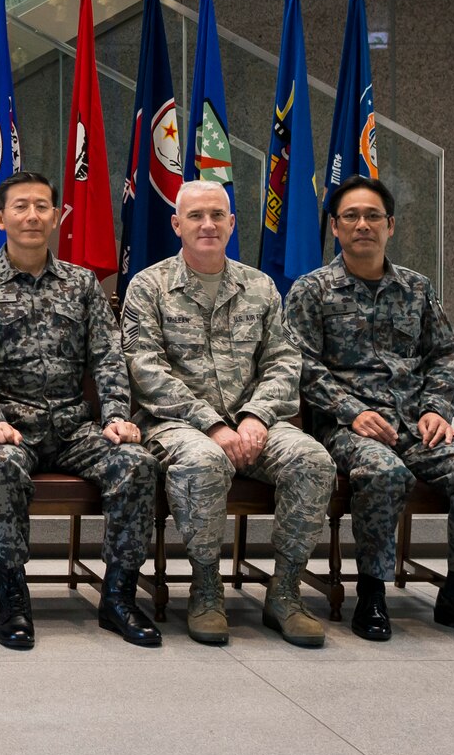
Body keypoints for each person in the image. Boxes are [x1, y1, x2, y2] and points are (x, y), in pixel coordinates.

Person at [284, 176, 454, 643]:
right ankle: (371, 592)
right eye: (351, 216)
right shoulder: (313, 290)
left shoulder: (416, 288)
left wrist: (438, 409)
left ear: (391, 225)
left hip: (416, 423)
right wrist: (350, 411)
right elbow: (298, 363)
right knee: (383, 474)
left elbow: (446, 354)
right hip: (349, 428)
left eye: (372, 217)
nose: (362, 224)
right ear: (335, 227)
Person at [0, 171, 161, 651]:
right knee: (1, 470)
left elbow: (107, 356)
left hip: (72, 426)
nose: (32, 216)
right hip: (8, 428)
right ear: (0, 218)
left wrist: (115, 417)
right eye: (20, 206)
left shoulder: (82, 284)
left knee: (137, 463)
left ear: (58, 217)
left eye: (42, 206)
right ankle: (13, 596)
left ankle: (119, 596)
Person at [120, 181, 334, 647]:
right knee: (203, 460)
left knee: (312, 460)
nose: (208, 224)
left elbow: (284, 360)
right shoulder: (149, 286)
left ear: (232, 223)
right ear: (177, 224)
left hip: (255, 423)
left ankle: (286, 590)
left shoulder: (259, 287)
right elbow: (145, 370)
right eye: (196, 216)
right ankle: (206, 587)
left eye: (218, 215)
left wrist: (256, 416)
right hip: (175, 424)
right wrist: (212, 423)